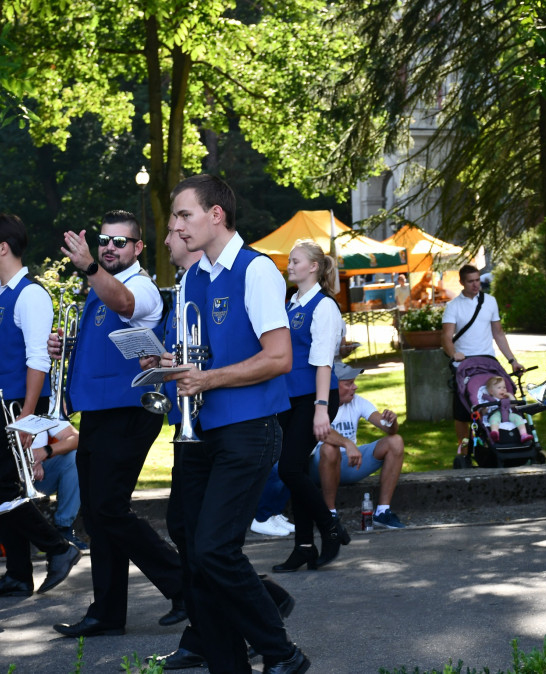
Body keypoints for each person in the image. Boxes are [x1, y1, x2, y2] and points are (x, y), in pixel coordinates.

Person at [166, 174, 309, 674]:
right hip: (202, 432)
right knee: (194, 551)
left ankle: (282, 651)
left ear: (216, 215)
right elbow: (202, 352)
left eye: (184, 215)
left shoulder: (256, 271)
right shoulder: (193, 277)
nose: (175, 226)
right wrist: (163, 363)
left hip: (248, 430)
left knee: (214, 550)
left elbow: (279, 357)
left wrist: (208, 378)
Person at [50, 210, 183, 638]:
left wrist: (88, 264)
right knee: (98, 513)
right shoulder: (98, 286)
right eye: (104, 240)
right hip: (99, 411)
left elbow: (124, 305)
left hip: (129, 411)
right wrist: (64, 345)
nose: (109, 247)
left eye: (120, 242)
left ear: (138, 248)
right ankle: (107, 613)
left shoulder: (140, 286)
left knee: (108, 508)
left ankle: (184, 586)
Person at [0, 214, 81, 598]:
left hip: (19, 404)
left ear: (3, 248)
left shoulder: (30, 294)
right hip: (0, 403)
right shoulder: (0, 293)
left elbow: (38, 360)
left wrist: (27, 418)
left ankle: (58, 548)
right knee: (4, 487)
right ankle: (17, 575)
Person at [274, 239, 348, 574]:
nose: (289, 265)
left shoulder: (325, 306)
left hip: (314, 397)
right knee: (297, 470)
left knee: (289, 469)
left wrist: (321, 409)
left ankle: (330, 527)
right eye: (289, 260)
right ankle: (304, 546)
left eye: (295, 260)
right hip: (290, 398)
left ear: (314, 267)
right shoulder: (292, 304)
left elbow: (323, 363)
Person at [309, 362, 407, 529]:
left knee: (396, 441)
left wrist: (392, 421)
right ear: (332, 385)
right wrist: (347, 443)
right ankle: (328, 514)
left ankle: (382, 512)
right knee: (329, 448)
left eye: (354, 382)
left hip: (349, 464)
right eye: (348, 384)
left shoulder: (357, 402)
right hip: (318, 466)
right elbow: (322, 433)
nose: (355, 387)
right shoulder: (318, 405)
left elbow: (387, 428)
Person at [0, 420, 87, 550]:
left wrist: (45, 452)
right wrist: (27, 458)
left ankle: (64, 529)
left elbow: (76, 438)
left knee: (75, 457)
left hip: (31, 477)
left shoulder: (46, 404)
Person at [442, 264, 524, 444]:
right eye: (470, 281)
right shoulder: (453, 306)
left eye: (477, 280)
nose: (475, 284)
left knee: (498, 402)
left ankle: (501, 440)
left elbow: (499, 333)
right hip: (463, 365)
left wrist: (512, 360)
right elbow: (446, 337)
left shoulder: (490, 301)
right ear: (462, 282)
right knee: (462, 413)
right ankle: (463, 449)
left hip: (488, 363)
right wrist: (454, 353)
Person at [476, 376, 532, 444]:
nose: (503, 390)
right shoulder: (489, 401)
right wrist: (485, 409)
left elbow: (514, 405)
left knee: (518, 418)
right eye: (499, 388)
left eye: (504, 387)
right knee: (493, 419)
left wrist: (510, 396)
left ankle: (523, 435)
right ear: (491, 392)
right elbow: (484, 413)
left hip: (508, 414)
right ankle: (495, 433)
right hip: (496, 414)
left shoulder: (506, 399)